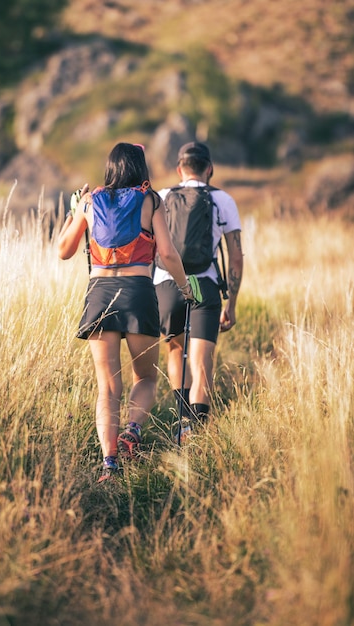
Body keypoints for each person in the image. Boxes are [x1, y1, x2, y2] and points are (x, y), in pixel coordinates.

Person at [58, 142, 200, 482]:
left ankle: (110, 464)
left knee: (107, 388)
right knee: (146, 378)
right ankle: (132, 432)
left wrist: (72, 211)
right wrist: (183, 287)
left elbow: (63, 251)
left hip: (100, 295)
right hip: (137, 294)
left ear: (110, 167)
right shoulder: (151, 200)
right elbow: (166, 252)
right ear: (140, 167)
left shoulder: (90, 200)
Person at [153, 141, 243, 439]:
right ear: (210, 169)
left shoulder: (163, 196)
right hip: (204, 284)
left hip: (167, 283)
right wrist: (231, 302)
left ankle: (182, 424)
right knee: (202, 358)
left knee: (176, 349)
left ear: (179, 169)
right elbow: (236, 256)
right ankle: (198, 434)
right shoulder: (223, 200)